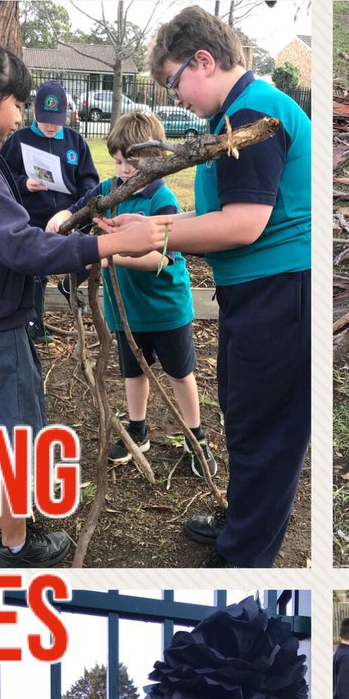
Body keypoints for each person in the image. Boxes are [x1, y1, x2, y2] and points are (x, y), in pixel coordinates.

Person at [0, 39, 172, 568]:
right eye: (16, 103)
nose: (20, 114)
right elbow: (20, 247)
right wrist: (108, 244)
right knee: (10, 443)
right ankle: (16, 546)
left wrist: (70, 244)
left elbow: (4, 240)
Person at [101, 5, 310, 567]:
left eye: (174, 83)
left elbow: (245, 223)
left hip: (282, 292)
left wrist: (157, 231)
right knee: (242, 413)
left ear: (204, 59)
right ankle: (240, 519)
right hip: (256, 292)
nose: (175, 98)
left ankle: (246, 556)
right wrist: (147, 229)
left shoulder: (255, 114)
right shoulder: (231, 118)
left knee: (267, 428)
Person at [48, 110, 217, 478]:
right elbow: (78, 210)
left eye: (132, 162)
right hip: (124, 311)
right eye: (119, 161)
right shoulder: (109, 190)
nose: (124, 170)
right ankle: (137, 430)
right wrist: (60, 218)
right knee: (133, 372)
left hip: (166, 310)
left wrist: (110, 256)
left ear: (155, 160)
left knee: (179, 373)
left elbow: (161, 257)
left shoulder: (163, 201)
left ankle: (195, 435)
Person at [0, 81, 98, 345]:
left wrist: (75, 210)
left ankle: (70, 283)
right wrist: (24, 184)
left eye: (56, 120)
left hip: (70, 214)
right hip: (34, 215)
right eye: (45, 120)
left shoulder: (75, 141)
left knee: (95, 246)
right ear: (35, 113)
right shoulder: (19, 140)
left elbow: (90, 181)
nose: (51, 126)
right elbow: (2, 176)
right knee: (36, 272)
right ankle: (35, 322)